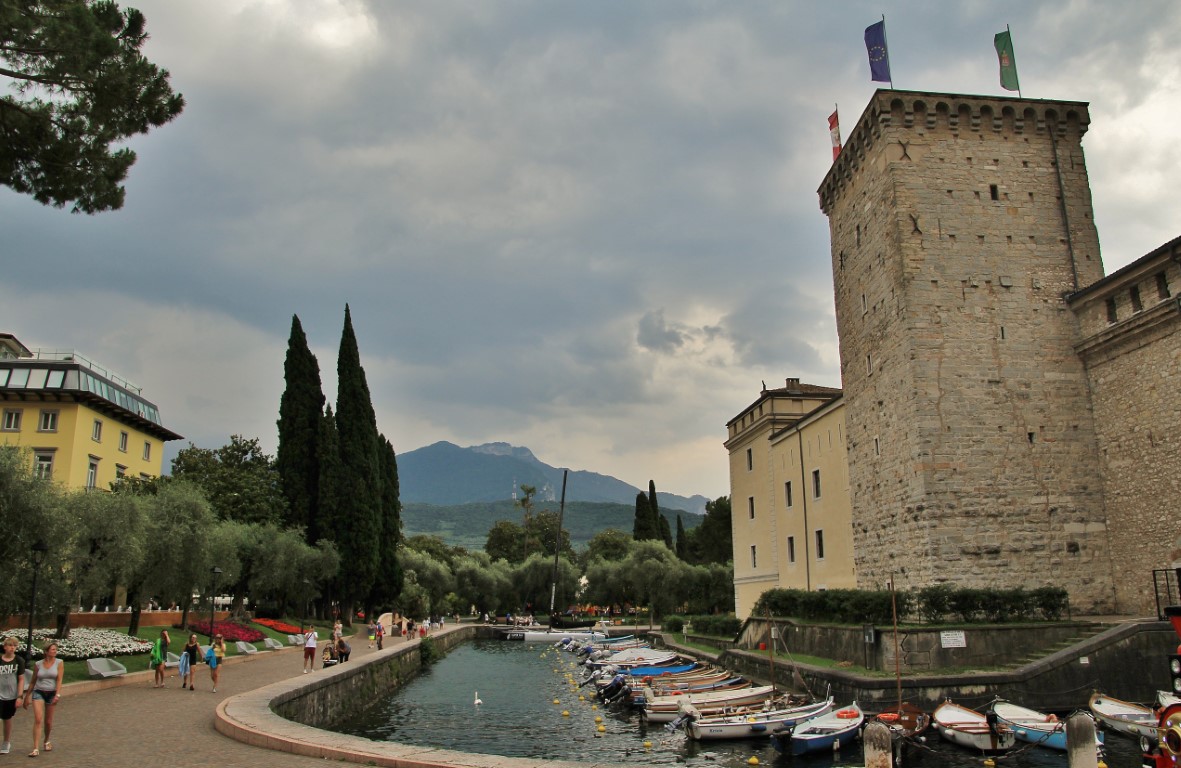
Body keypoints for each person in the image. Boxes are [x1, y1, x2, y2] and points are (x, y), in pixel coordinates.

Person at [23, 641, 63, 757]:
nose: (55, 651)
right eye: (53, 649)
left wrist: (58, 694)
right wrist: (27, 696)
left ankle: (46, 740)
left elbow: (59, 679)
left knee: (48, 721)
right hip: (38, 691)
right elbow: (33, 681)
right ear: (46, 652)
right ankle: (35, 748)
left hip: (52, 693)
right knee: (38, 719)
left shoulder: (59, 663)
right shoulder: (38, 664)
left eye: (55, 649)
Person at [0, 636, 26, 755]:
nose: (12, 648)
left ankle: (6, 742)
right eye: (10, 645)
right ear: (5, 647)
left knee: (7, 718)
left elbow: (21, 679)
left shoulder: (19, 661)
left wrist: (20, 696)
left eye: (14, 646)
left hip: (11, 695)